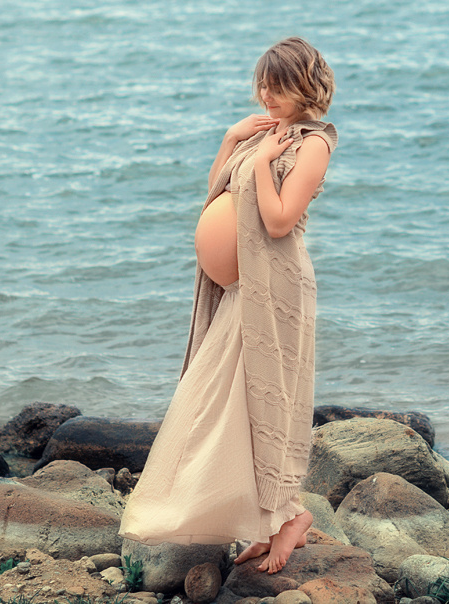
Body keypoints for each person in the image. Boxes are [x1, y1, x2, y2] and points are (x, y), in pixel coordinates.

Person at [118, 37, 338, 575]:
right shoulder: (262, 132)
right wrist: (233, 139)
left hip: (276, 290)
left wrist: (263, 162)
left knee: (267, 406)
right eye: (261, 83)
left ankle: (290, 518)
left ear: (305, 85)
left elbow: (280, 220)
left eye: (277, 85)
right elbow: (216, 195)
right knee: (228, 407)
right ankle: (270, 520)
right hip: (243, 290)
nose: (265, 94)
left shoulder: (314, 143)